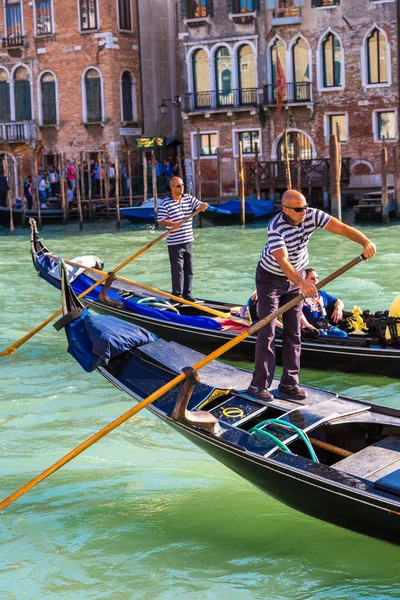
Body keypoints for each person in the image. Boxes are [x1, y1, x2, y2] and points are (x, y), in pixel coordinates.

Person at [247, 189, 376, 402]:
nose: (304, 212)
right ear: (286, 209)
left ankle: (289, 383)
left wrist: (365, 242)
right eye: (299, 209)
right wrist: (302, 283)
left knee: (294, 331)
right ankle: (258, 385)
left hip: (296, 275)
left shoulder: (312, 215)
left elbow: (342, 228)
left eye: (305, 207)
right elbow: (283, 262)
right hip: (270, 278)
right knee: (267, 330)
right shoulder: (275, 227)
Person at [158, 176, 208, 301]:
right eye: (178, 186)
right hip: (174, 242)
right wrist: (172, 224)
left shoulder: (188, 198)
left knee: (189, 269)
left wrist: (203, 205)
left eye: (182, 185)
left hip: (188, 240)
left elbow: (199, 205)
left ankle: (187, 294)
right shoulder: (166, 203)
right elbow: (161, 220)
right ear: (172, 187)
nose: (182, 188)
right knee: (178, 270)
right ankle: (177, 296)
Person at [301, 268, 348, 338]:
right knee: (324, 336)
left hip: (325, 325)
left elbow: (338, 302)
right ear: (304, 280)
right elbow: (298, 313)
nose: (316, 280)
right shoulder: (300, 296)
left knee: (342, 334)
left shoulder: (321, 294)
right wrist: (309, 326)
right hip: (310, 327)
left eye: (317, 278)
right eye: (312, 278)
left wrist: (338, 308)